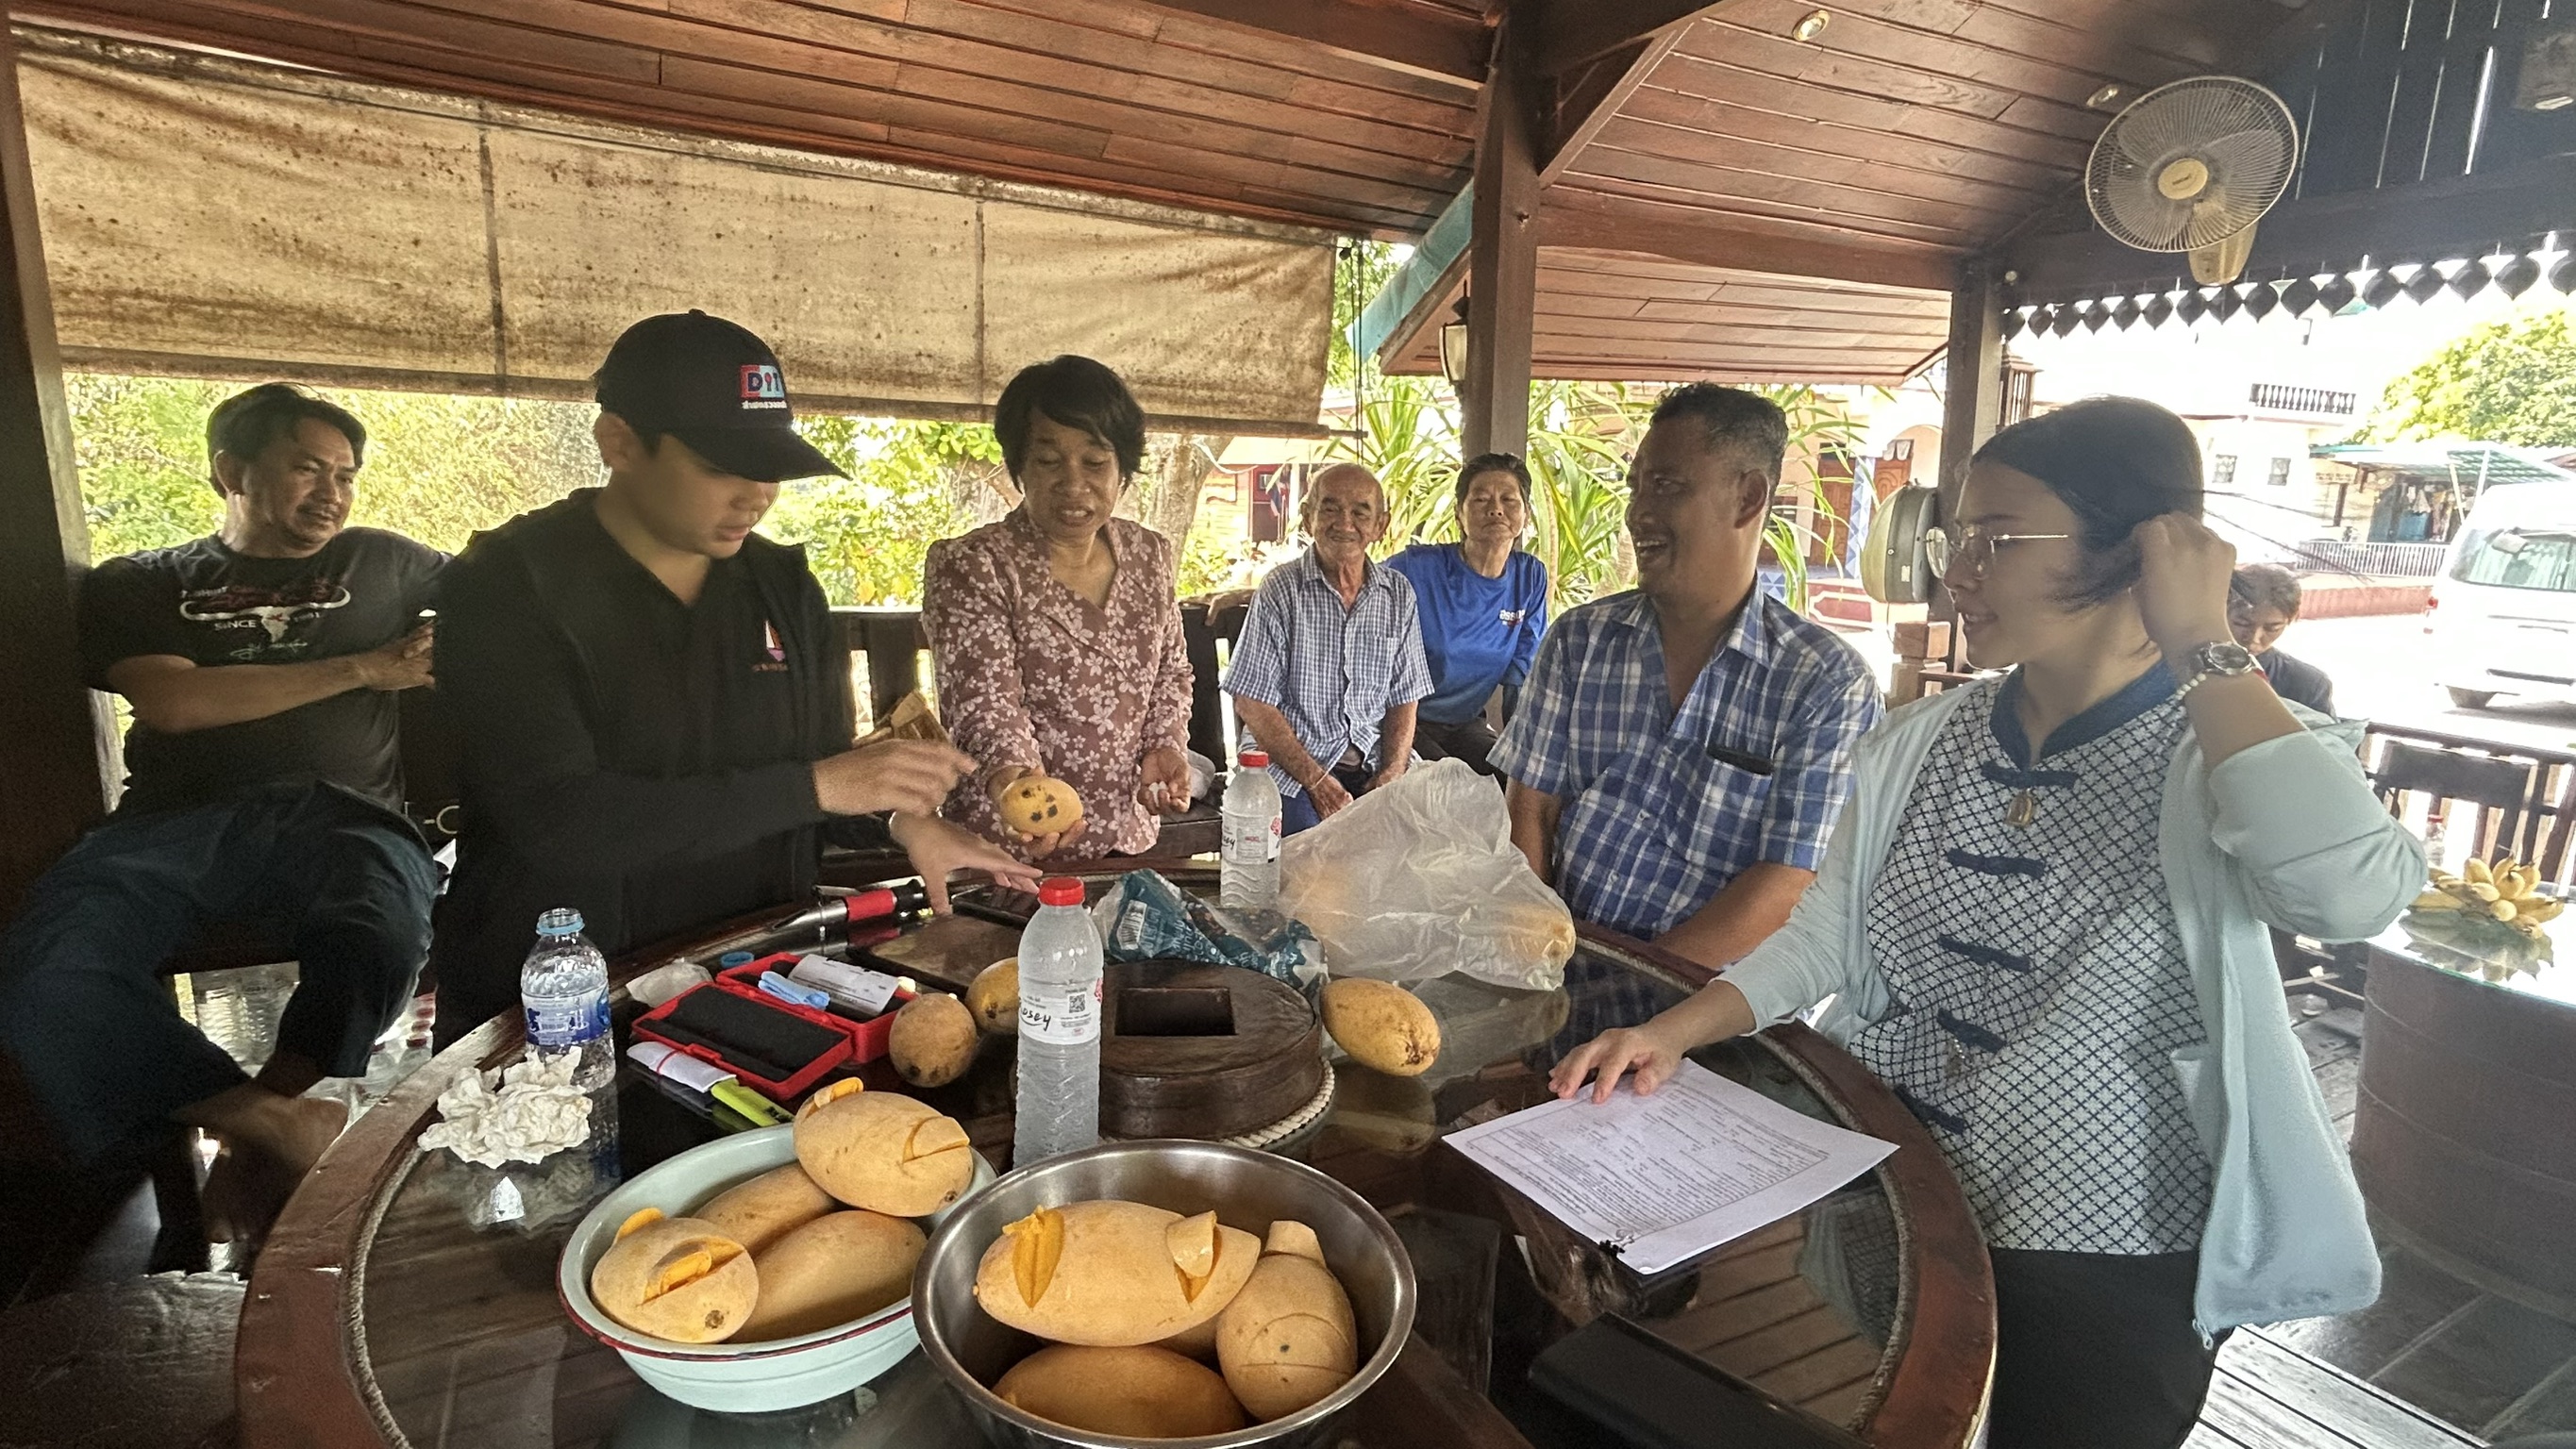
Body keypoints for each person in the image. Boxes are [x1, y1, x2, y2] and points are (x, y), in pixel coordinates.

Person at [1551, 397, 2420, 1449]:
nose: (1957, 572)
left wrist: (2204, 639)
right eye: (1956, 536)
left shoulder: (2221, 747)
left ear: (2145, 550)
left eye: (1999, 540)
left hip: (2111, 1250)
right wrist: (1669, 1030)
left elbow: (2351, 894)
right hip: (1899, 1207)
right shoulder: (1924, 737)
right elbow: (1832, 934)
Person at [428, 311, 1033, 1041]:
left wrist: (908, 819)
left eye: (770, 466)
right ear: (619, 443)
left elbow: (821, 769)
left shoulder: (781, 588)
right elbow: (560, 823)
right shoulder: (509, 588)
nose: (757, 494)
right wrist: (818, 787)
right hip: (562, 1001)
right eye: (719, 466)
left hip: (750, 977)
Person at [0, 383, 443, 1240]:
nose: (333, 493)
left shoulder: (389, 561)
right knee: (43, 970)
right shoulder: (147, 580)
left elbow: (507, 611)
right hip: (171, 825)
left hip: (346, 817)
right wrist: (359, 668)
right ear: (229, 471)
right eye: (306, 468)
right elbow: (176, 702)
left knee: (383, 934)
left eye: (346, 475)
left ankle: (260, 1125)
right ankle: (271, 1124)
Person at [1492, 385, 1882, 975]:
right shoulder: (1581, 640)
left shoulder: (1825, 683)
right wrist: (1536, 958)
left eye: (1667, 486)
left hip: (1709, 1013)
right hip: (1561, 967)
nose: (1637, 512)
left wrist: (1637, 994)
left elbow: (1788, 881)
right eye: (1636, 486)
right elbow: (1533, 806)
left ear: (1748, 498)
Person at [922, 357, 1194, 860]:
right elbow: (985, 702)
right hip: (1010, 844)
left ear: (1123, 472)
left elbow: (1171, 672)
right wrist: (1019, 787)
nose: (1073, 483)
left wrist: (1165, 746)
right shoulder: (973, 565)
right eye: (1049, 461)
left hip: (1124, 831)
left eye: (1095, 463)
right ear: (1018, 466)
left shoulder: (1149, 555)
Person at [1224, 462, 1432, 835]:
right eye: (1331, 508)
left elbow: (1405, 697)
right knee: (1314, 853)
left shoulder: (1398, 594)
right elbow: (1251, 701)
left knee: (1425, 841)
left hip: (1370, 763)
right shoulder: (1282, 590)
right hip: (1291, 768)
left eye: (1359, 512)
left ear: (1379, 526)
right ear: (1308, 518)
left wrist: (1391, 775)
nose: (1344, 523)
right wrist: (1317, 782)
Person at [1387, 452, 1550, 776]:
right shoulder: (1416, 568)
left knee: (1511, 780)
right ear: (1459, 514)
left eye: (1509, 499)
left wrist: (1522, 755)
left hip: (1464, 723)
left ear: (1526, 515)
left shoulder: (1529, 577)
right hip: (1402, 722)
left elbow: (1522, 677)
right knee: (1447, 785)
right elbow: (1353, 589)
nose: (1496, 508)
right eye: (1480, 499)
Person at [2229, 562, 2334, 715]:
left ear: (2291, 619)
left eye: (2272, 628)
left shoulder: (2307, 684)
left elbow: (2323, 738)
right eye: (2242, 623)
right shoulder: (2188, 668)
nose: (2254, 639)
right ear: (2223, 611)